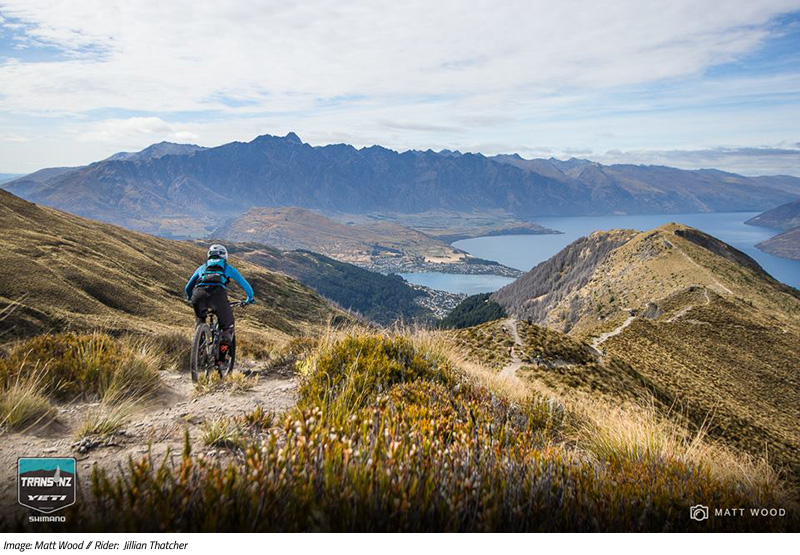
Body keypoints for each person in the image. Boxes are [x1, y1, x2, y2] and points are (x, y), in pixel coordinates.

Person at [185, 244, 255, 364]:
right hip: (217, 296)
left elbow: (188, 287)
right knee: (228, 326)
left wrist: (190, 298)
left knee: (200, 321)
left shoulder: (202, 268)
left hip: (198, 296)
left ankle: (200, 350)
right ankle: (221, 359)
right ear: (225, 256)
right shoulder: (228, 268)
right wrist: (249, 298)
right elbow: (245, 285)